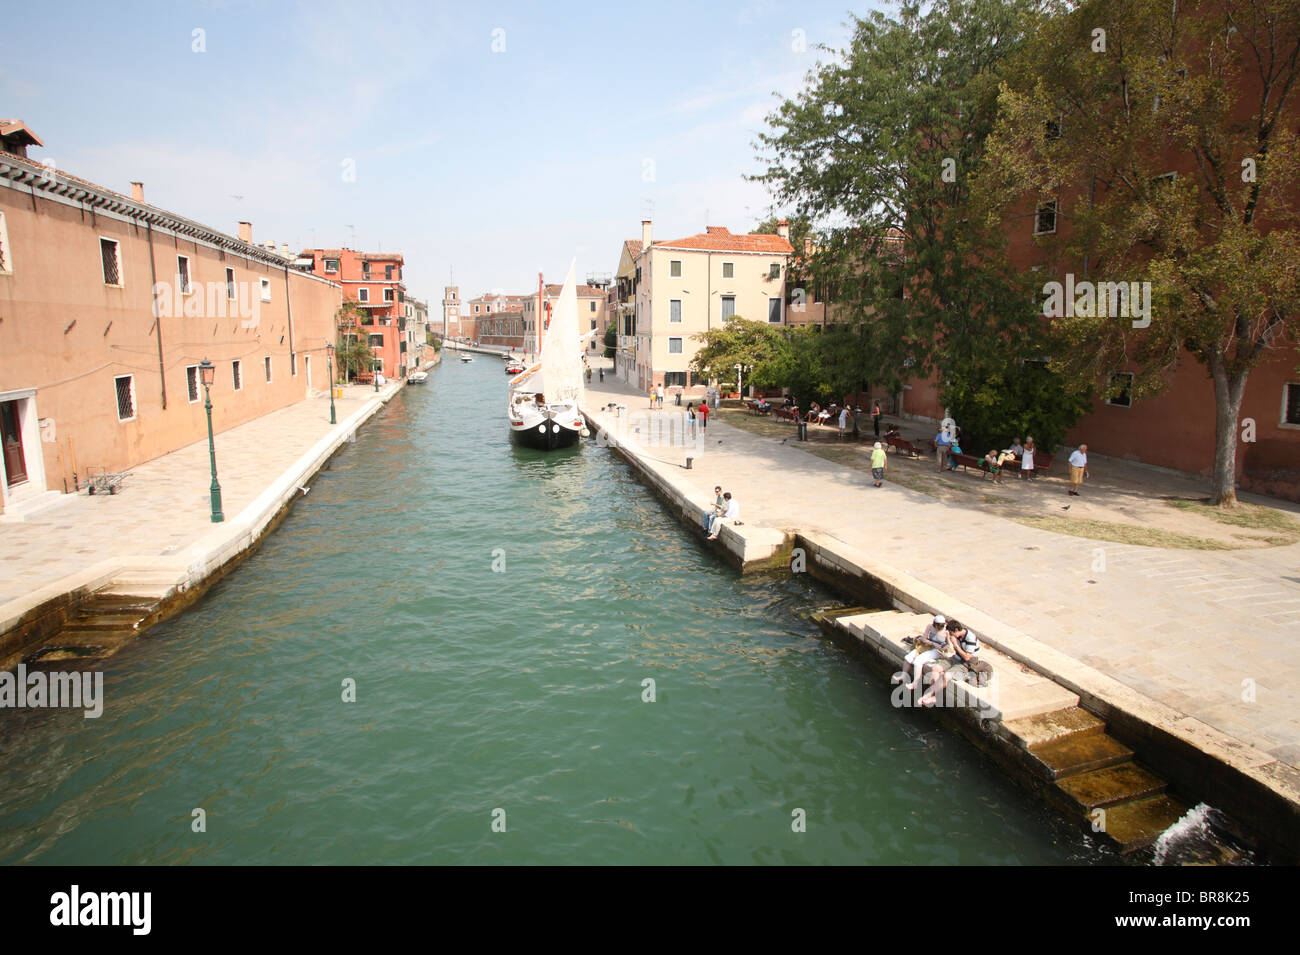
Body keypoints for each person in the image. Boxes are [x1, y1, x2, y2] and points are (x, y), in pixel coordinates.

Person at [919, 619, 991, 706]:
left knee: (947, 676)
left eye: (951, 633)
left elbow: (967, 657)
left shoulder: (970, 638)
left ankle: (931, 696)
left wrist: (956, 645)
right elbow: (949, 647)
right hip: (956, 658)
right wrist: (949, 641)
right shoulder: (957, 635)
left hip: (966, 663)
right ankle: (933, 695)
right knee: (935, 668)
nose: (951, 635)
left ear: (956, 630)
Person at [897, 614, 949, 693]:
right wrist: (932, 643)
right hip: (929, 645)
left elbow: (949, 645)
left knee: (918, 661)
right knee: (909, 657)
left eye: (942, 626)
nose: (940, 628)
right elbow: (924, 639)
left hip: (938, 650)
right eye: (938, 626)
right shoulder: (930, 626)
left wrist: (941, 647)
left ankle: (915, 683)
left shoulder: (946, 631)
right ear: (934, 624)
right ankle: (903, 675)